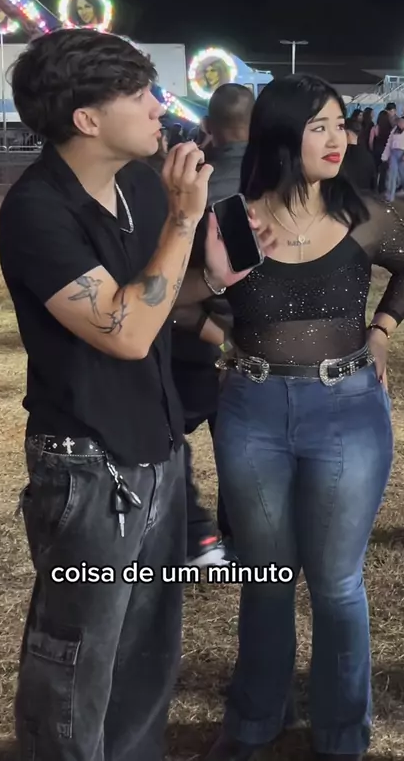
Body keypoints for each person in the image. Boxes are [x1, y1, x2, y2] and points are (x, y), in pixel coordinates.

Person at [0, 29, 275, 761]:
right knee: (77, 657)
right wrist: (184, 219)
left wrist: (216, 274)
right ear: (87, 118)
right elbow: (122, 329)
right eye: (140, 94)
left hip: (158, 444)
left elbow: (159, 300)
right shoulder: (38, 210)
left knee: (148, 649)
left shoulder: (140, 186)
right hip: (86, 465)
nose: (159, 107)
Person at [206, 74, 404, 761]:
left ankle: (341, 733)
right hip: (253, 409)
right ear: (279, 134)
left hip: (347, 411)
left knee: (336, 583)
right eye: (318, 125)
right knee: (265, 577)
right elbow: (184, 304)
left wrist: (381, 331)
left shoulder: (362, 213)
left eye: (340, 124)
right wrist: (222, 338)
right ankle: (253, 722)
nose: (338, 138)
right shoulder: (234, 219)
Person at [171, 83, 255, 563]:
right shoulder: (272, 183)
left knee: (162, 437)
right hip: (245, 342)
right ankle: (236, 538)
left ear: (208, 125)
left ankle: (189, 532)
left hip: (191, 333)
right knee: (240, 451)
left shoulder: (192, 184)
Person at [381, 111, 404, 200]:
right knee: (391, 174)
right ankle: (390, 194)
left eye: (402, 122)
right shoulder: (394, 130)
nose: (400, 123)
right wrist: (385, 156)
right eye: (399, 122)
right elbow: (389, 143)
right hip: (393, 153)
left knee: (403, 176)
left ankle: (403, 189)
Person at [342, 118, 377, 191]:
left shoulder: (343, 156)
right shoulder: (368, 156)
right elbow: (373, 183)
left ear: (347, 133)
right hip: (365, 194)